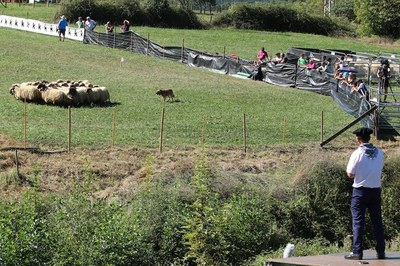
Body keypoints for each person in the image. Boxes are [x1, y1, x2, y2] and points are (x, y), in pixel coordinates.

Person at [345, 127, 385, 260]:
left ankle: (357, 251)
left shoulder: (357, 154)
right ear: (369, 138)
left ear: (358, 139)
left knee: (358, 222)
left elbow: (350, 173)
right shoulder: (379, 152)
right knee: (377, 222)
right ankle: (381, 251)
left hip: (360, 191)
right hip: (375, 190)